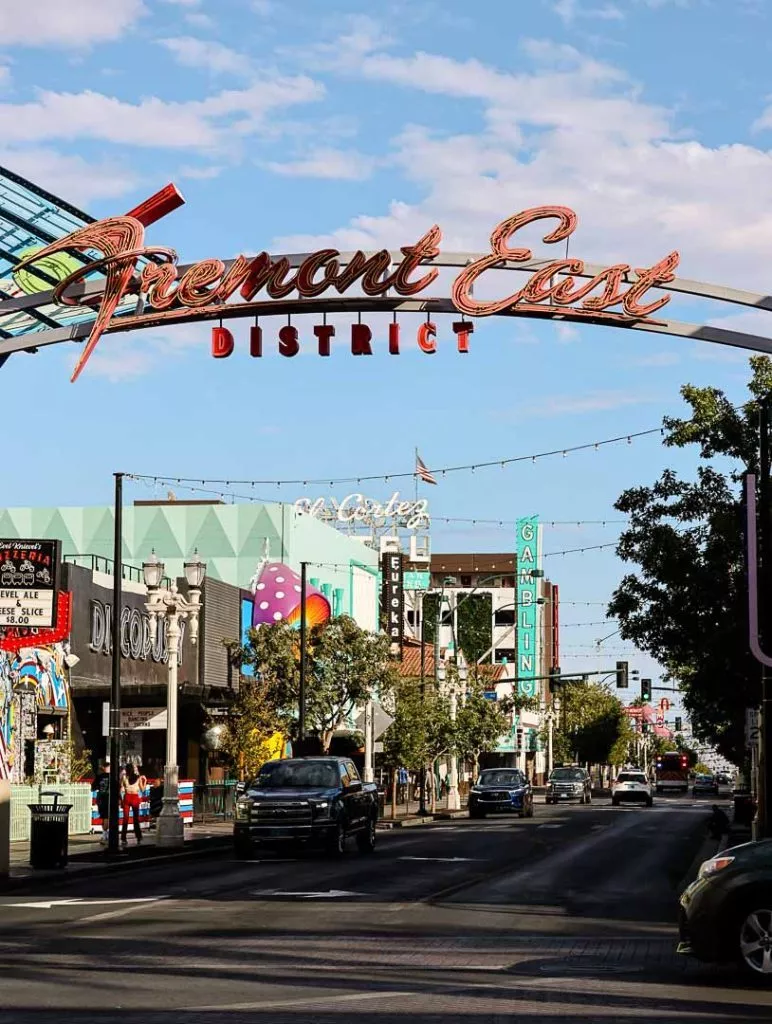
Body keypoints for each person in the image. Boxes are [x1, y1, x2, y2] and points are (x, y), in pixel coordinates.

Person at [121, 762, 147, 845]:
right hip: (135, 797)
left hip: (127, 797)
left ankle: (123, 838)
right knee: (136, 819)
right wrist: (145, 781)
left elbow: (121, 789)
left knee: (125, 819)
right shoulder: (138, 778)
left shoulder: (124, 777)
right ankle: (138, 837)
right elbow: (142, 790)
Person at [93, 758, 111, 845]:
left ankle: (104, 834)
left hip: (101, 798)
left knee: (104, 817)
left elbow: (93, 787)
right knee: (107, 817)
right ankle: (105, 835)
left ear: (103, 768)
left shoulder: (99, 777)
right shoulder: (112, 776)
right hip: (109, 798)